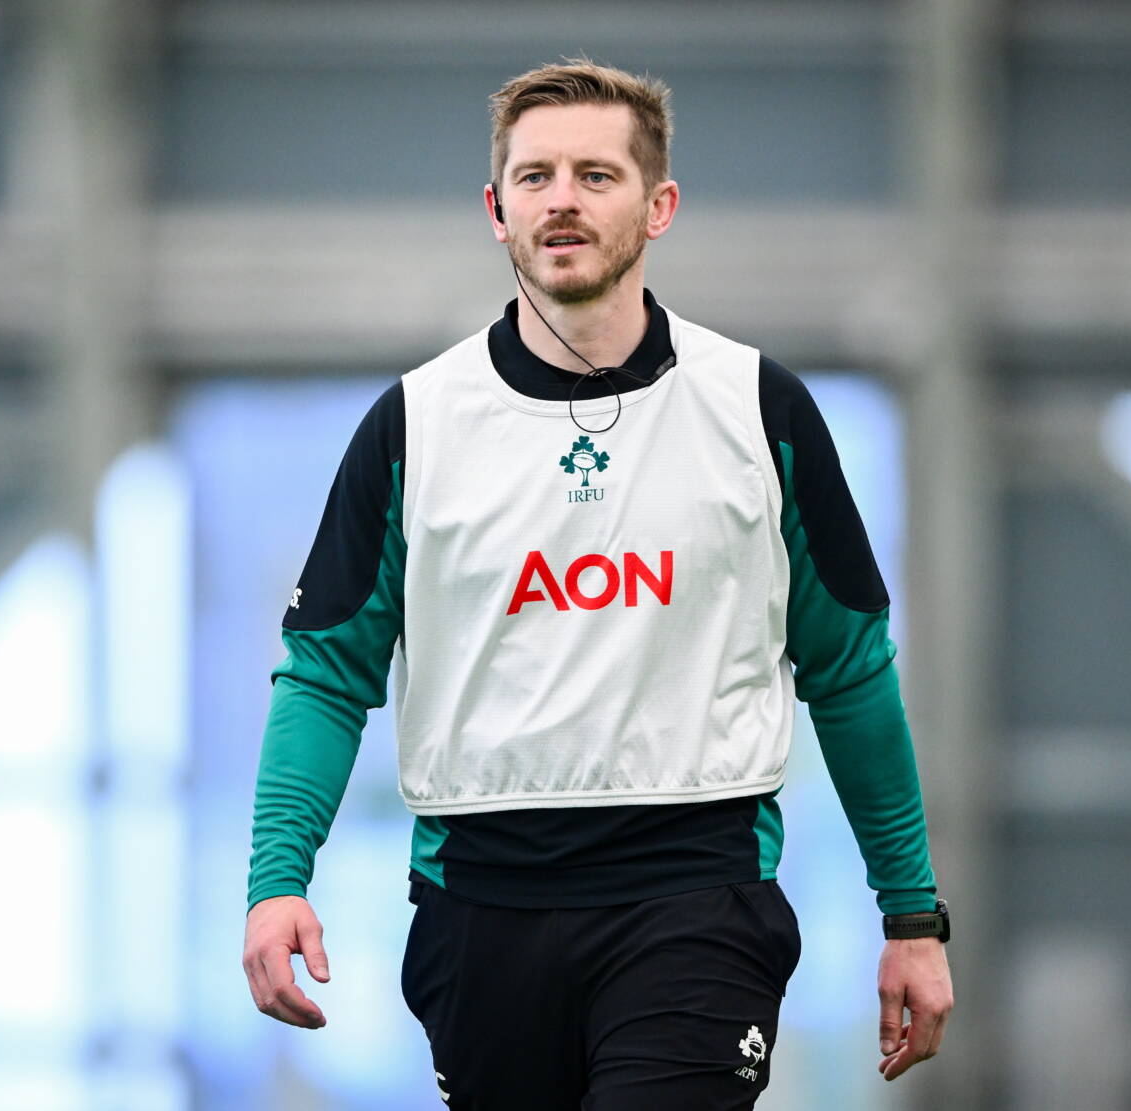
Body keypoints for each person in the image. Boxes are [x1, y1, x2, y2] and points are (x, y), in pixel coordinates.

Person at [241, 57, 953, 1109]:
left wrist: (910, 918)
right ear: (495, 209)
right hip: (478, 909)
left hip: (696, 897)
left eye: (592, 174)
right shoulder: (414, 425)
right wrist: (275, 882)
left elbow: (849, 672)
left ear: (658, 205)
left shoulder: (759, 411)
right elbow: (323, 674)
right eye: (532, 178)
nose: (560, 198)